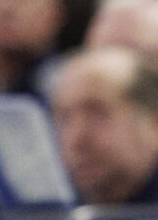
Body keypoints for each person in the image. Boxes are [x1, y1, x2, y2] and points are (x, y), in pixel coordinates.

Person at [48, 46, 158, 204]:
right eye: (65, 118)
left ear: (154, 123)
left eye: (97, 112)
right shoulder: (46, 219)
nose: (77, 138)